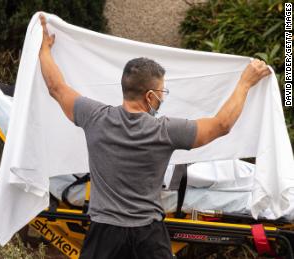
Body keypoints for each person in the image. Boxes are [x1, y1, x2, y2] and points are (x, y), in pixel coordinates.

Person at [38, 15, 271, 259]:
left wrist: (44, 49)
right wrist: (245, 83)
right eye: (162, 92)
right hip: (147, 236)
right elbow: (221, 124)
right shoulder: (165, 131)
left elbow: (56, 87)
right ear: (150, 96)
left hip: (103, 234)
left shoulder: (95, 116)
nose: (163, 97)